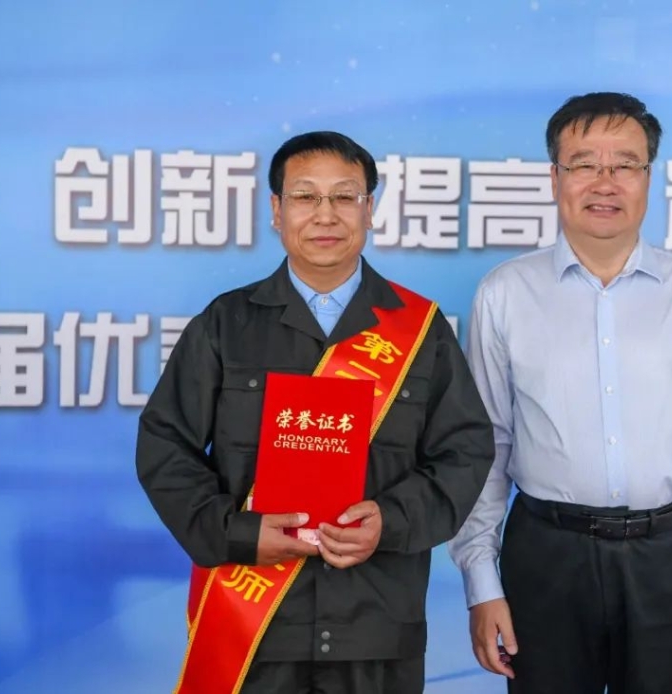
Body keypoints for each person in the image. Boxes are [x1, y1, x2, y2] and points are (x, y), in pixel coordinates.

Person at [136, 130, 495, 694]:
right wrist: (238, 533)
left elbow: (465, 453)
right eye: (305, 196)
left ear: (369, 209)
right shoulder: (226, 324)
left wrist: (390, 521)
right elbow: (165, 446)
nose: (325, 214)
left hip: (377, 629)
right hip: (254, 632)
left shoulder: (421, 330)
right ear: (277, 211)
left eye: (344, 196)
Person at [448, 92, 672, 693]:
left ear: (648, 177)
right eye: (584, 164)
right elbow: (485, 450)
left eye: (624, 164)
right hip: (546, 555)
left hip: (667, 558)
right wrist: (481, 584)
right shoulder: (505, 293)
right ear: (554, 178)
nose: (605, 182)